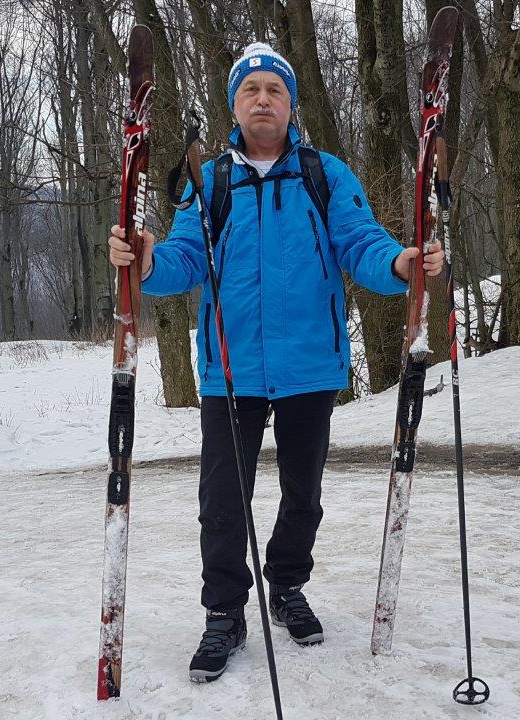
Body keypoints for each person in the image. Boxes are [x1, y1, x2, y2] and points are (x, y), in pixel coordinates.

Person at [108, 42, 443, 683]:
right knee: (222, 500)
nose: (263, 99)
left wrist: (400, 265)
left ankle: (287, 585)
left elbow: (360, 241)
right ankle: (224, 613)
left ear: (291, 105)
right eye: (250, 90)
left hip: (309, 367)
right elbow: (185, 259)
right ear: (235, 104)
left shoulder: (325, 174)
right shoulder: (209, 182)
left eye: (275, 90)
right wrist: (145, 261)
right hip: (229, 373)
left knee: (303, 496)